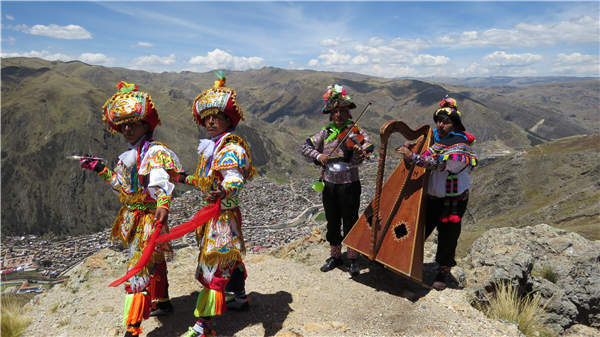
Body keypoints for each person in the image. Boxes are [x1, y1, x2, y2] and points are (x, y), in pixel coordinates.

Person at [80, 81, 183, 337]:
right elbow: (123, 189)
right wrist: (101, 170)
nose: (127, 128)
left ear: (145, 125)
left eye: (132, 123)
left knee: (138, 268)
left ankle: (132, 328)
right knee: (154, 262)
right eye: (123, 124)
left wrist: (162, 203)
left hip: (149, 220)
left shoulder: (155, 152)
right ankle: (164, 302)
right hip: (134, 219)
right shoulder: (129, 155)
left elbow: (161, 179)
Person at [179, 74, 256, 337]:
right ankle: (241, 297)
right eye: (207, 117)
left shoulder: (230, 147)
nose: (210, 121)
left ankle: (203, 327)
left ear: (228, 120)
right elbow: (205, 181)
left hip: (222, 217)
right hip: (215, 214)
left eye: (217, 116)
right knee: (229, 258)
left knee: (213, 267)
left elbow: (234, 178)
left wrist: (224, 190)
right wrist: (181, 177)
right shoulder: (215, 146)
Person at [395, 96, 477, 290]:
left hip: (452, 199)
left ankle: (443, 270)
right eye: (439, 121)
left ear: (455, 124)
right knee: (421, 229)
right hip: (432, 196)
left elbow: (441, 165)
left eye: (446, 122)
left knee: (448, 235)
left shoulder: (460, 145)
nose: (441, 125)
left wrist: (413, 157)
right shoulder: (437, 141)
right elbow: (427, 155)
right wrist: (411, 147)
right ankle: (407, 261)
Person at [300, 84, 374, 277]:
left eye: (342, 111)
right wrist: (319, 156)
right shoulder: (325, 132)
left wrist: (362, 150)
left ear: (349, 113)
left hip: (350, 184)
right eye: (335, 112)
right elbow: (305, 147)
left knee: (350, 220)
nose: (339, 115)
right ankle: (335, 256)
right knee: (332, 221)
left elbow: (369, 144)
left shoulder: (355, 130)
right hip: (329, 184)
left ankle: (352, 258)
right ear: (330, 115)